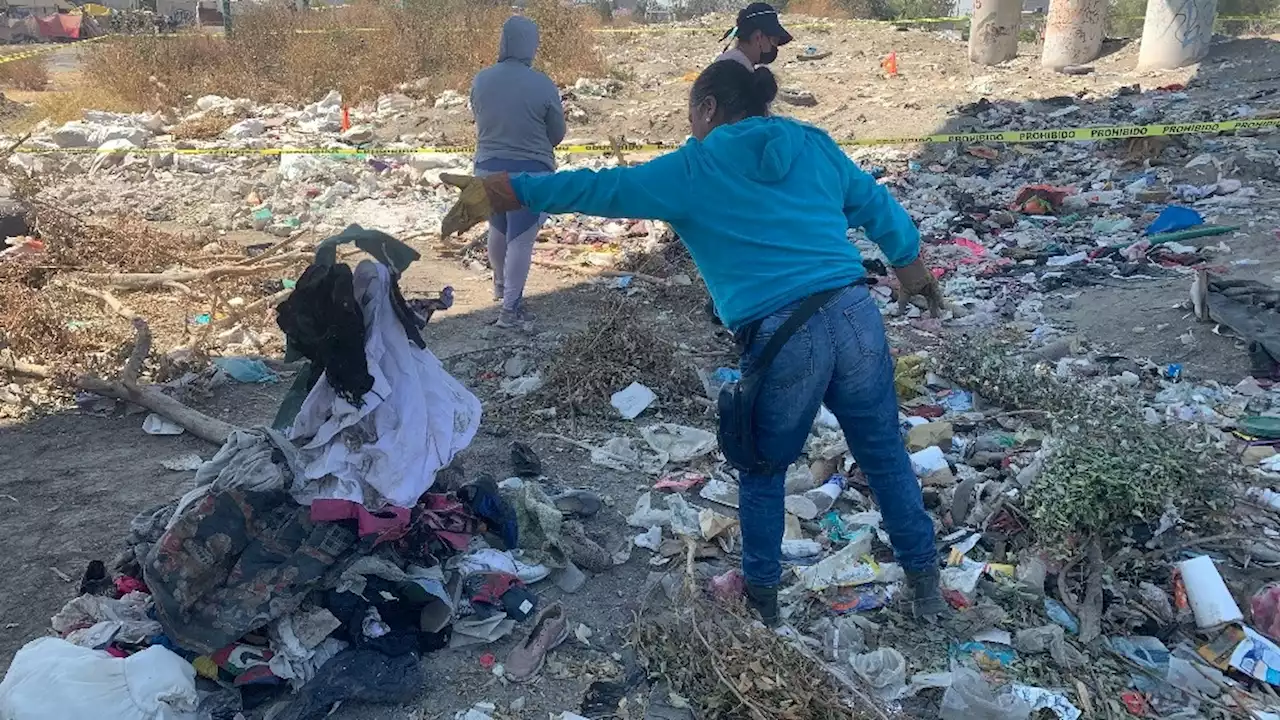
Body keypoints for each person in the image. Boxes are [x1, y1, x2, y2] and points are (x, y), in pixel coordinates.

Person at [440, 60, 948, 625]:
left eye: (691, 111)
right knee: (883, 457)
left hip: (784, 335)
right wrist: (912, 270)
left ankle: (762, 602)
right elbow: (877, 207)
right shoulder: (812, 144)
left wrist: (505, 189)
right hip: (855, 315)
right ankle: (926, 588)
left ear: (707, 108)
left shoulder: (694, 168)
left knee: (762, 470)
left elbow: (598, 188)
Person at [468, 15, 567, 329]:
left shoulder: (481, 79)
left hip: (486, 168)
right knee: (521, 240)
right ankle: (510, 310)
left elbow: (478, 117)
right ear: (531, 45)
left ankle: (499, 288)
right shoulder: (541, 83)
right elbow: (557, 133)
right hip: (529, 174)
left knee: (497, 229)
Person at [716, 2, 793, 70]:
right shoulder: (734, 71)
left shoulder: (733, 63)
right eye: (774, 41)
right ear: (758, 37)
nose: (775, 47)